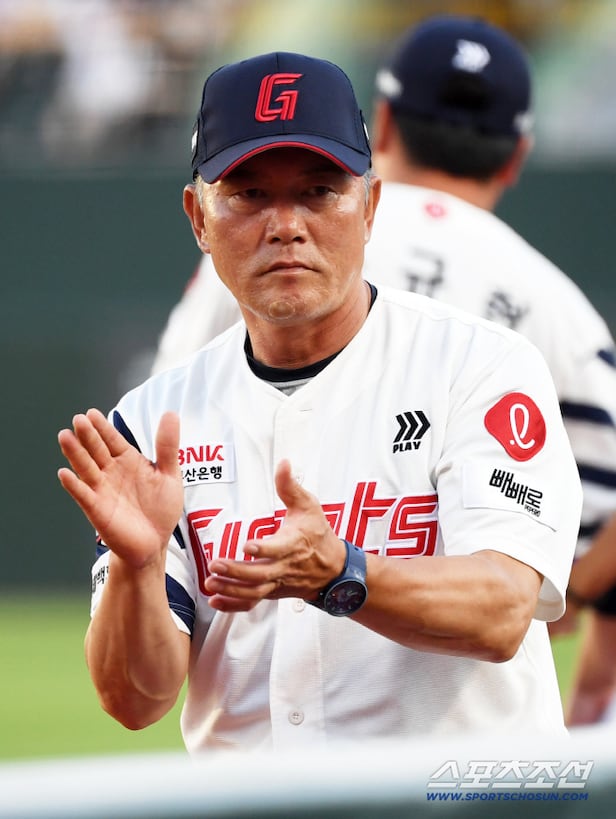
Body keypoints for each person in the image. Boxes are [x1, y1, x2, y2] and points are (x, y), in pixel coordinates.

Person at [58, 49, 582, 753]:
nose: (286, 224)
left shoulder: (479, 368)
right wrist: (138, 567)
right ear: (198, 218)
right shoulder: (154, 422)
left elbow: (502, 609)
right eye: (248, 193)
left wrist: (344, 575)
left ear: (370, 207)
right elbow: (134, 698)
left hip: (455, 797)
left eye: (318, 191)